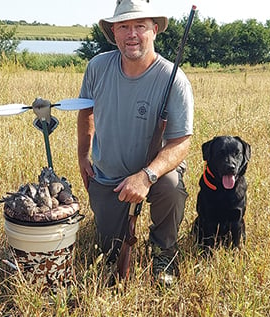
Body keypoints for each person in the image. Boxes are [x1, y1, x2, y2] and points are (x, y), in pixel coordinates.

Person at [77, 0, 194, 285]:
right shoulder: (97, 67)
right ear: (113, 33)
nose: (132, 34)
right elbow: (85, 111)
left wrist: (146, 176)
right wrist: (83, 155)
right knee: (107, 253)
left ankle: (164, 251)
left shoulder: (173, 79)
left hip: (153, 172)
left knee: (170, 185)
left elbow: (181, 141)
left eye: (139, 26)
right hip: (108, 176)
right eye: (124, 27)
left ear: (154, 30)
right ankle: (113, 226)